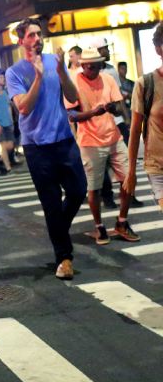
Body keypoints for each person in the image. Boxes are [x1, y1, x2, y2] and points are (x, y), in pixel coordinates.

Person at [5, 18, 87, 280]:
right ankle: (64, 258)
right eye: (31, 35)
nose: (37, 39)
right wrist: (38, 77)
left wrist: (62, 72)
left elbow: (74, 98)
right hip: (37, 148)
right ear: (21, 41)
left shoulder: (55, 61)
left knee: (78, 191)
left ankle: (58, 229)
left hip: (64, 140)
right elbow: (23, 107)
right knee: (51, 204)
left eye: (39, 34)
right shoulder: (14, 72)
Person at [68, 47, 140, 245]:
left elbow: (118, 107)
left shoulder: (107, 79)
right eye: (90, 67)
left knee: (128, 180)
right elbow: (72, 115)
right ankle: (99, 226)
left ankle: (122, 222)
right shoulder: (74, 81)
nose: (94, 70)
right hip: (90, 142)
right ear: (83, 65)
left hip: (113, 137)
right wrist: (93, 112)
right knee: (94, 188)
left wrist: (114, 109)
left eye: (97, 66)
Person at [124, 22, 163, 214]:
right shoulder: (145, 84)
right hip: (158, 165)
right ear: (158, 49)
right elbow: (134, 130)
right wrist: (131, 171)